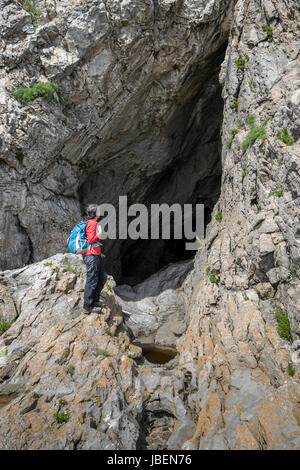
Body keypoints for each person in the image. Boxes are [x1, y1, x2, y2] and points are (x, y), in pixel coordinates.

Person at [82, 204, 107, 314]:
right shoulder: (93, 223)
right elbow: (91, 239)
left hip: (95, 254)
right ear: (94, 213)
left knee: (102, 277)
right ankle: (87, 306)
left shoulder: (91, 223)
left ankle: (94, 300)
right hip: (90, 255)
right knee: (92, 279)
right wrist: (99, 233)